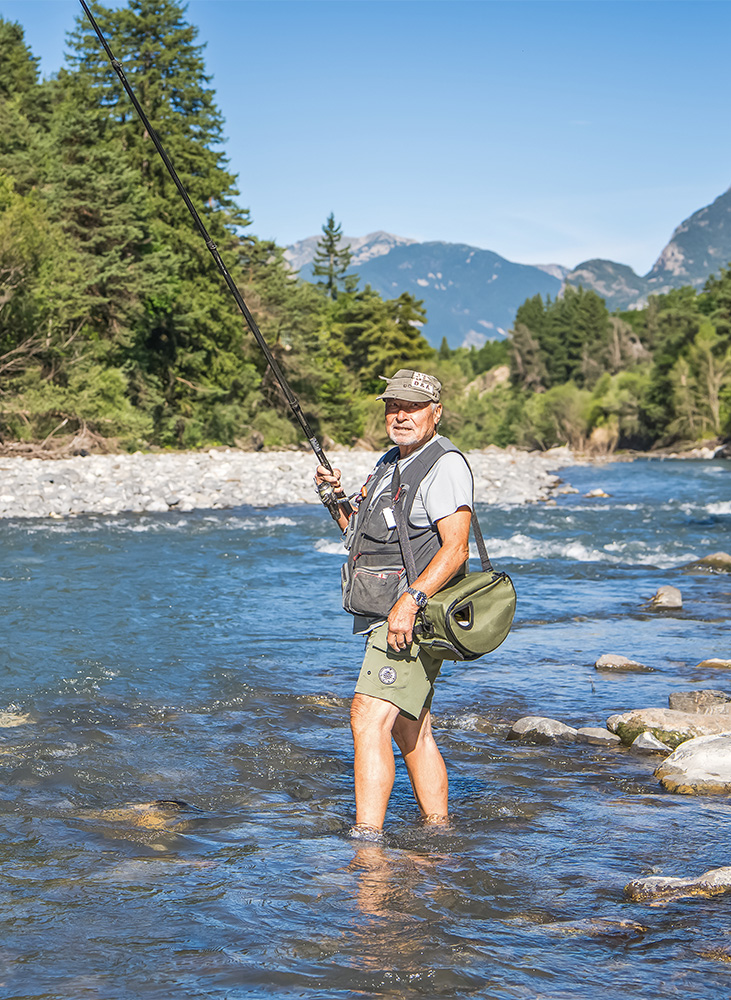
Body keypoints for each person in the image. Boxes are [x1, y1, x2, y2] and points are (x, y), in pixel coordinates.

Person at [315, 368, 473, 839]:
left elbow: (456, 548)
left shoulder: (444, 465)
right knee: (409, 727)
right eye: (392, 406)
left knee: (367, 716)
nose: (400, 415)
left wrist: (411, 601)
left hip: (413, 617)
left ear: (436, 412)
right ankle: (439, 830)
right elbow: (359, 535)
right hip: (392, 611)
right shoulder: (389, 463)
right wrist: (331, 495)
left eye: (412, 407)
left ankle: (367, 844)